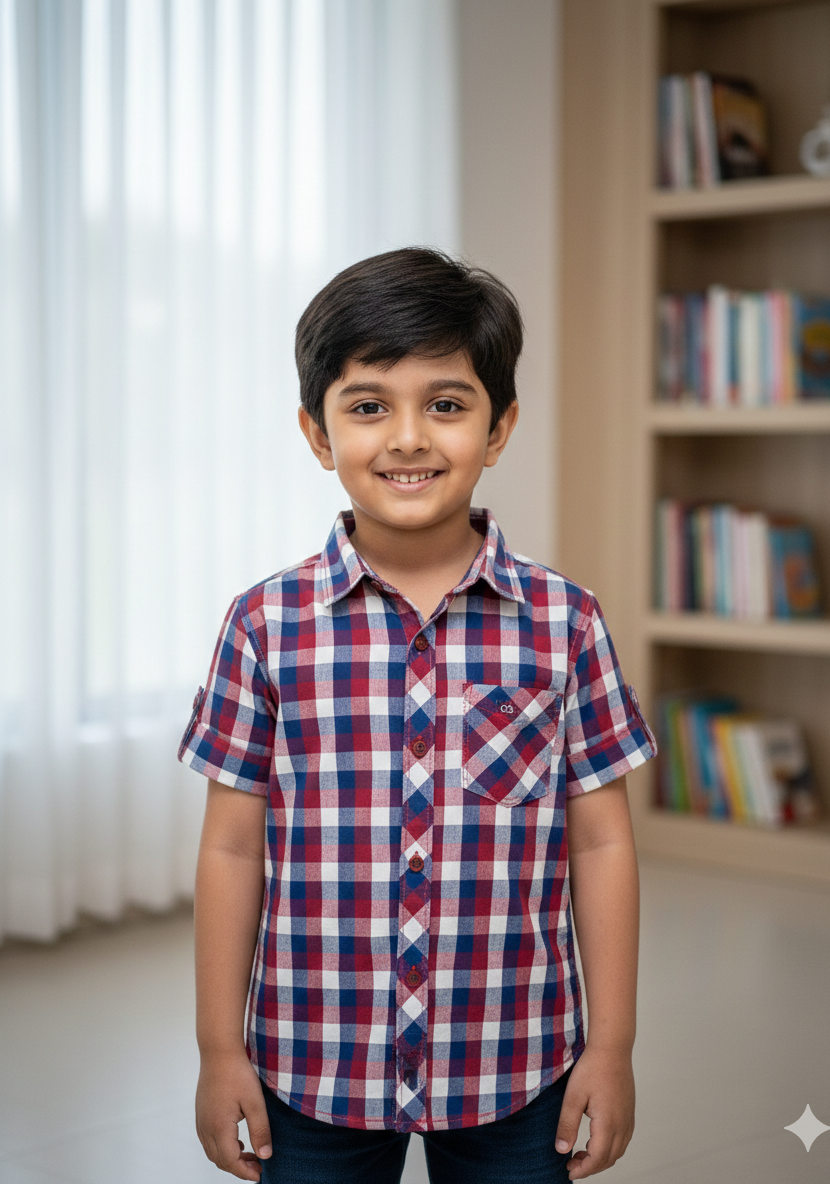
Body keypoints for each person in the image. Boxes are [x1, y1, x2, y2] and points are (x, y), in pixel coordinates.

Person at [179, 247, 657, 1184]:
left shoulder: (566, 624)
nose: (408, 437)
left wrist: (612, 1048)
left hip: (517, 1064)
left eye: (446, 403)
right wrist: (218, 1051)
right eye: (368, 406)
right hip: (309, 1065)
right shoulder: (263, 626)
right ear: (319, 434)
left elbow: (601, 844)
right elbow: (232, 848)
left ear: (500, 425)